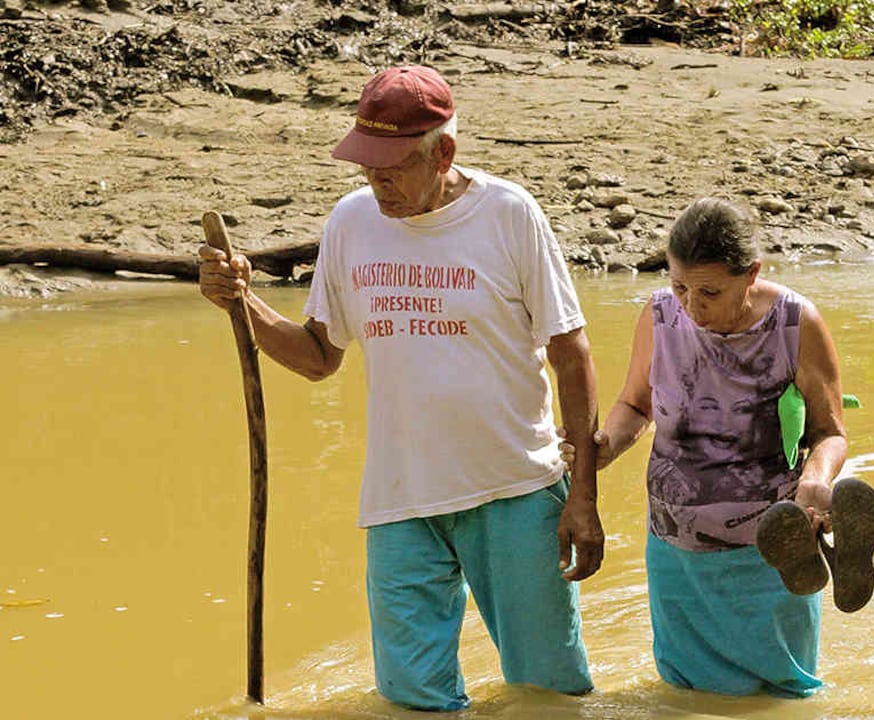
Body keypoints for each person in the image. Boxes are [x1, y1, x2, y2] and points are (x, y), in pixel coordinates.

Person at [197, 65, 604, 711]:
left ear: (443, 151)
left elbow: (571, 354)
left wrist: (583, 496)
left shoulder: (508, 215)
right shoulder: (352, 222)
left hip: (515, 487)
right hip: (401, 498)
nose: (377, 182)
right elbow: (317, 358)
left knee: (547, 690)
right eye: (367, 167)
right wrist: (241, 304)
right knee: (412, 697)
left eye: (393, 166)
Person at [564, 197, 874, 697]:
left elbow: (830, 431)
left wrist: (816, 480)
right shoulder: (659, 317)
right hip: (676, 547)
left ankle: (825, 546)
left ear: (752, 273)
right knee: (685, 692)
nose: (692, 305)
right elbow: (635, 405)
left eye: (710, 291)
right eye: (679, 286)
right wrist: (607, 445)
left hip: (775, 546)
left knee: (784, 688)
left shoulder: (795, 323)